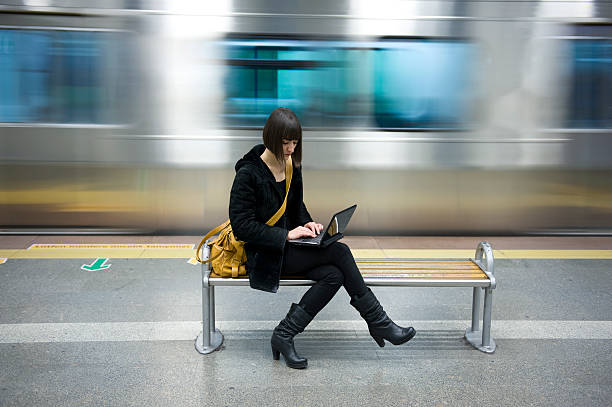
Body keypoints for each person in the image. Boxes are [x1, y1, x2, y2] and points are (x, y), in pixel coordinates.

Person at [229, 107, 416, 369]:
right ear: (271, 138)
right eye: (285, 143)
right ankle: (379, 323)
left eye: (295, 142)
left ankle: (284, 334)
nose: (291, 148)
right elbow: (242, 227)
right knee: (339, 252)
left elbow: (295, 207)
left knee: (334, 275)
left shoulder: (291, 165)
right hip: (264, 255)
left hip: (287, 248)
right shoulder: (248, 174)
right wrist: (287, 234)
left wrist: (307, 222)